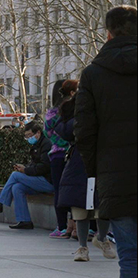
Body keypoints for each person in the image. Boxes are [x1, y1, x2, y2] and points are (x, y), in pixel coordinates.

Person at [76, 5, 137, 278]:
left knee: (130, 256)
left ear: (109, 33)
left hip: (117, 177)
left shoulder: (94, 73)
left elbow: (84, 131)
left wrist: (97, 171)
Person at [51, 94, 116, 262]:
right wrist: (82, 120)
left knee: (102, 205)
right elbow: (60, 128)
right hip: (78, 164)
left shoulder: (106, 107)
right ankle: (82, 247)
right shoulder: (72, 109)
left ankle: (102, 238)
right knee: (80, 209)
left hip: (102, 161)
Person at [0, 121, 54, 229]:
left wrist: (26, 170)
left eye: (30, 136)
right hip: (39, 180)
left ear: (38, 133)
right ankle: (24, 220)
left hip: (48, 181)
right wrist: (24, 167)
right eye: (26, 137)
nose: (28, 138)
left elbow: (44, 167)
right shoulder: (36, 145)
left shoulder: (46, 144)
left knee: (15, 175)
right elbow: (35, 165)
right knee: (17, 187)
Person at [44, 79, 76, 239]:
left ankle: (62, 226)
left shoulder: (51, 114)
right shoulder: (74, 110)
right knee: (76, 189)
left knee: (59, 190)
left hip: (57, 155)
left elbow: (48, 134)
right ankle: (77, 224)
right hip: (74, 154)